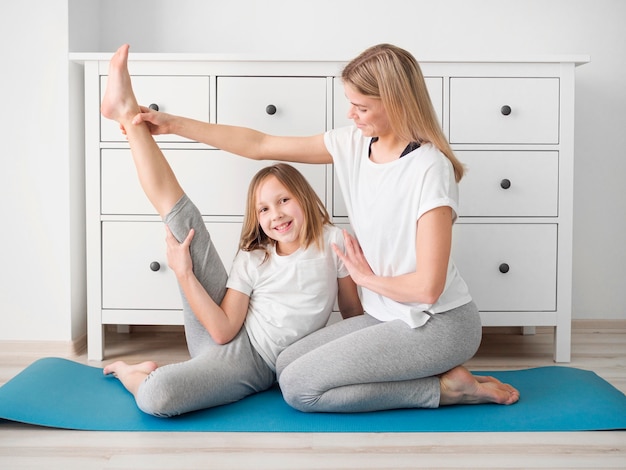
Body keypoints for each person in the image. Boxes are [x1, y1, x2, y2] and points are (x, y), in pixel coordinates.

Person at [124, 42, 520, 411]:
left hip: (440, 322)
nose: (351, 114)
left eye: (361, 107)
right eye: (350, 104)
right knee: (288, 363)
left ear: (396, 103)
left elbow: (428, 287)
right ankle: (439, 377)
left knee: (299, 388)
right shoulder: (353, 144)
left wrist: (366, 280)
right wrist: (173, 124)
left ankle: (444, 390)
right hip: (388, 314)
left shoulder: (430, 169)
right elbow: (260, 144)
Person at [100, 44, 363, 417]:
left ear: (304, 197)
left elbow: (352, 313)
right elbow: (222, 331)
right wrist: (184, 272)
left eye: (284, 200)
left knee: (158, 396)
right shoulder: (256, 257)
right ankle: (128, 114)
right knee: (184, 222)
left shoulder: (334, 242)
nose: (276, 215)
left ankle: (139, 373)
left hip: (251, 363)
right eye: (264, 209)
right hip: (222, 331)